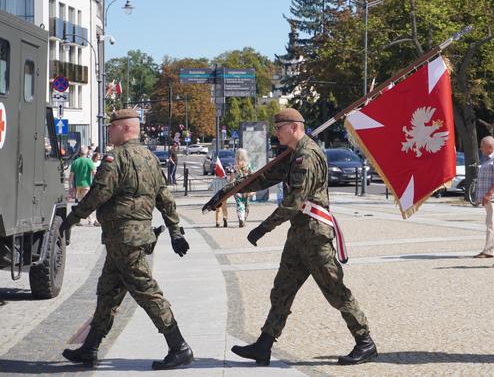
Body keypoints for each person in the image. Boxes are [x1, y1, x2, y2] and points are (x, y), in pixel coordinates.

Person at [202, 108, 376, 366]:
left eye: (279, 127)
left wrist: (263, 227)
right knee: (282, 290)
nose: (275, 133)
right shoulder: (293, 154)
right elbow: (263, 178)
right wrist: (227, 192)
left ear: (293, 127)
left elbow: (295, 201)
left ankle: (365, 342)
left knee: (335, 289)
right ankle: (264, 344)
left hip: (315, 236)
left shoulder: (306, 155)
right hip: (299, 236)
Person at [58, 109, 193, 370]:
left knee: (146, 291)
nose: (109, 132)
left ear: (125, 128)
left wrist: (71, 219)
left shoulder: (115, 158)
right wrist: (175, 230)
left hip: (124, 239)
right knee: (107, 293)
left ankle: (179, 347)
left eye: (112, 127)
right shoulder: (150, 158)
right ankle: (90, 348)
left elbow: (98, 194)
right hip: (131, 239)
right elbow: (164, 197)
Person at [69, 146, 95, 225]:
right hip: (86, 184)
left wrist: (70, 186)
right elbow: (94, 172)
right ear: (87, 152)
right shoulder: (89, 161)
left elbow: (71, 176)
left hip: (78, 185)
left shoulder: (75, 162)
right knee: (88, 202)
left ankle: (77, 219)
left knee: (80, 203)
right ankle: (91, 219)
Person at [231, 148, 253, 228]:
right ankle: (243, 219)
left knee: (239, 204)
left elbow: (232, 178)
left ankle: (241, 218)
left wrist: (230, 185)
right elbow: (252, 176)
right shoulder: (249, 165)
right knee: (246, 205)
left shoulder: (234, 166)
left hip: (237, 188)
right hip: (247, 187)